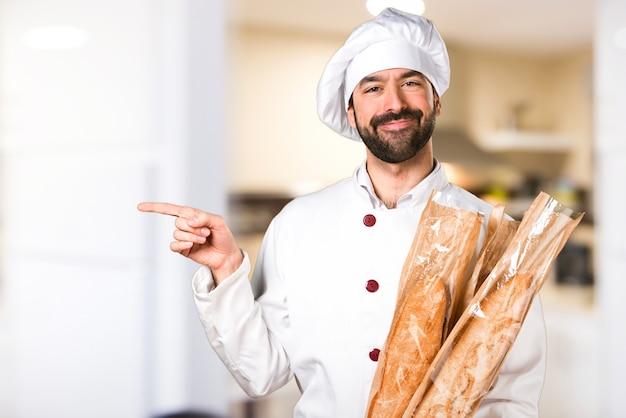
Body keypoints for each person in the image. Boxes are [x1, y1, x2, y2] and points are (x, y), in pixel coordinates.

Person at [138, 8, 547, 417]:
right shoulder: (297, 224)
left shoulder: (497, 236)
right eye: (372, 88)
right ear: (351, 113)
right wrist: (227, 268)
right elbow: (261, 373)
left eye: (410, 82)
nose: (395, 103)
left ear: (436, 101)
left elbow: (512, 395)